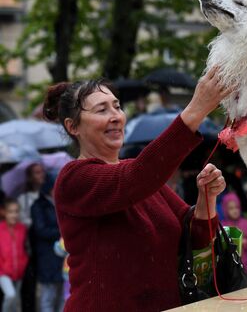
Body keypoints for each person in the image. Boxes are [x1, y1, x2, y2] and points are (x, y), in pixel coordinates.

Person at [42, 67, 230, 312]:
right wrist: (196, 110)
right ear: (73, 127)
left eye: (117, 106)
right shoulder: (74, 179)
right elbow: (134, 179)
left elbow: (196, 239)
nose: (116, 116)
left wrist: (207, 197)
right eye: (101, 110)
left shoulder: (140, 175)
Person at [31, 176, 64, 312]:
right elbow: (41, 230)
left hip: (61, 255)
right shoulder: (39, 206)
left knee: (62, 294)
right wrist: (62, 231)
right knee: (48, 295)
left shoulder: (62, 204)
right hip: (46, 255)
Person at [0, 199, 29, 312]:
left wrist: (24, 262)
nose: (14, 215)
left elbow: (25, 248)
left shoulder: (22, 229)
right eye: (11, 212)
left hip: (19, 272)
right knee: (10, 295)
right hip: (3, 272)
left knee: (15, 302)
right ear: (4, 213)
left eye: (16, 211)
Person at [220, 192, 247, 274]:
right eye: (231, 208)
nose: (235, 211)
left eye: (237, 207)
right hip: (230, 269)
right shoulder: (222, 227)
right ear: (225, 209)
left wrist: (246, 243)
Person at [18, 163, 45, 227]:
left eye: (42, 171)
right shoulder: (23, 199)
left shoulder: (48, 195)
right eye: (37, 172)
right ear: (30, 177)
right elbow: (22, 220)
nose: (42, 175)